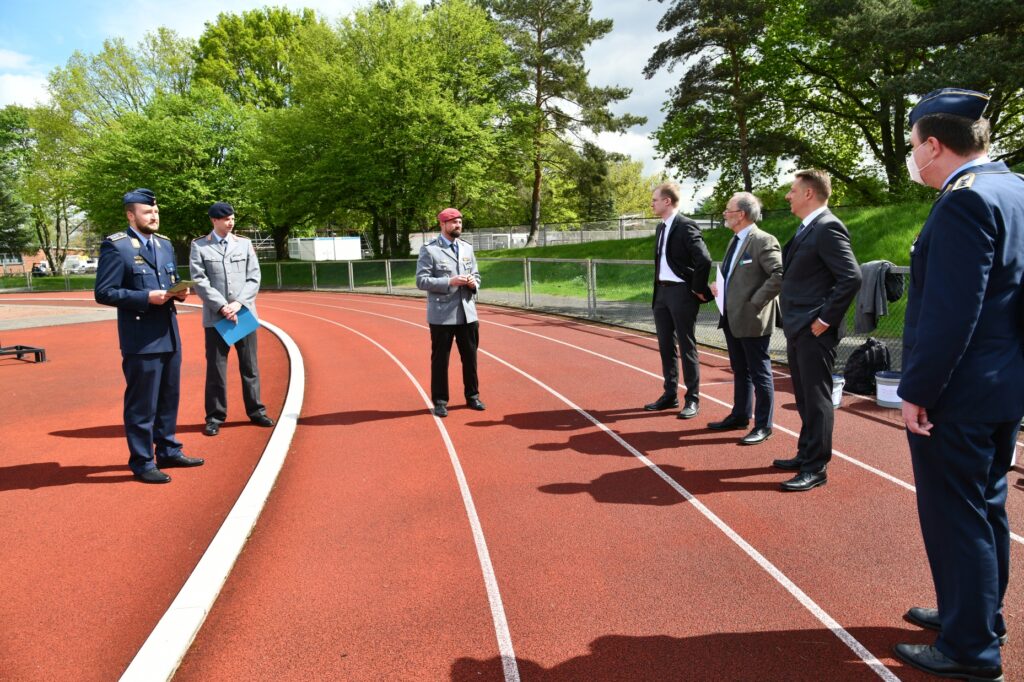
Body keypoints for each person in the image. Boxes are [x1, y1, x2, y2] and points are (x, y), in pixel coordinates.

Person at [893, 88, 1024, 682]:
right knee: (985, 506)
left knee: (957, 515)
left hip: (958, 392)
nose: (912, 157)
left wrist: (916, 389)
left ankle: (970, 648)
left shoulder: (963, 202)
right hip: (1001, 386)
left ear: (934, 144)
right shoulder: (1014, 189)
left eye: (913, 146)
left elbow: (952, 313)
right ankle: (975, 614)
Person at [94, 188, 204, 483]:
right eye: (147, 212)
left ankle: (168, 449)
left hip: (168, 332)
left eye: (156, 211)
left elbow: (168, 281)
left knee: (170, 396)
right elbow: (104, 292)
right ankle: (143, 461)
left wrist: (178, 293)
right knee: (142, 403)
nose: (154, 216)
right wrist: (146, 297)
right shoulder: (117, 247)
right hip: (140, 338)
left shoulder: (165, 245)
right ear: (131, 215)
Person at [773, 170, 861, 492]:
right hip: (799, 327)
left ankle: (816, 467)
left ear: (809, 193)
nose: (788, 196)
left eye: (793, 190)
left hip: (814, 329)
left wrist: (826, 319)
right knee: (804, 397)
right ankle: (805, 453)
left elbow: (851, 277)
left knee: (817, 398)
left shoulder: (827, 227)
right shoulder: (806, 228)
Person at [189, 201, 274, 437]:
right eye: (226, 219)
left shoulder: (244, 244)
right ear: (214, 221)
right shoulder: (200, 247)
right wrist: (222, 307)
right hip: (217, 318)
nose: (231, 222)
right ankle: (215, 417)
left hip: (244, 313)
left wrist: (238, 304)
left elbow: (254, 277)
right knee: (216, 369)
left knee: (250, 366)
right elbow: (199, 280)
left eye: (232, 218)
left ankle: (256, 411)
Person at [707, 192, 783, 445]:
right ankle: (740, 415)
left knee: (760, 373)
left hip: (752, 318)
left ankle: (764, 425)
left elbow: (780, 274)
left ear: (741, 214)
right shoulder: (734, 240)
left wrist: (755, 302)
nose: (724, 214)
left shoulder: (763, 240)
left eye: (728, 210)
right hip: (731, 316)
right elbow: (733, 275)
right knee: (740, 370)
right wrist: (719, 286)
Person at [644, 181, 713, 419]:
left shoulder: (686, 225)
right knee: (665, 346)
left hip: (681, 293)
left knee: (686, 346)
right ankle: (669, 394)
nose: (651, 203)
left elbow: (704, 259)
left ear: (667, 201)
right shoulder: (660, 227)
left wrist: (697, 288)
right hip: (661, 294)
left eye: (655, 200)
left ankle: (692, 399)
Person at [416, 207, 485, 418]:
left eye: (460, 222)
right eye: (454, 222)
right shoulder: (429, 249)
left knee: (470, 358)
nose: (458, 225)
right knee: (440, 360)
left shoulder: (466, 248)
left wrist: (474, 283)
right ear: (443, 224)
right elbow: (421, 280)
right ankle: (440, 400)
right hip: (442, 315)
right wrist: (450, 281)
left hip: (467, 314)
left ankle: (472, 396)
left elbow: (477, 275)